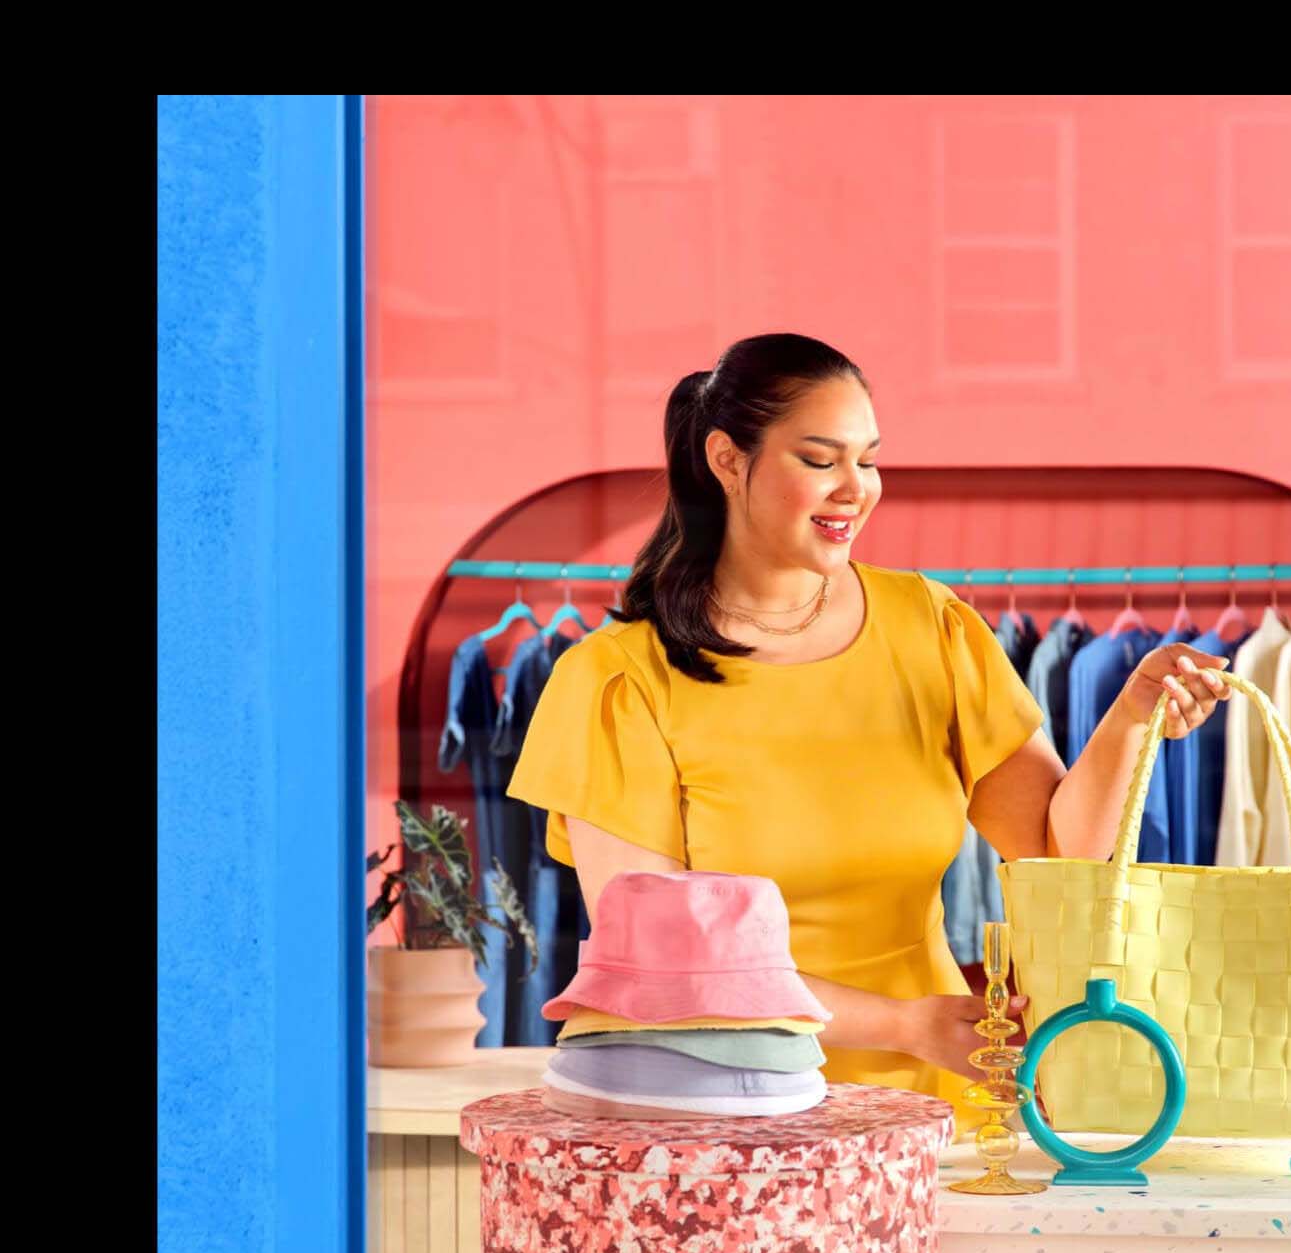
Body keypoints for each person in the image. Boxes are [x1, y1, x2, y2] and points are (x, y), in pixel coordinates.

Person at [505, 332, 1230, 1140]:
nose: (856, 488)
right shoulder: (618, 682)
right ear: (727, 460)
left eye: (869, 459)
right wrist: (902, 1024)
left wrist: (1131, 718)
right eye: (821, 459)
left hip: (927, 1112)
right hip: (714, 1118)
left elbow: (1059, 853)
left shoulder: (931, 628)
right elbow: (673, 968)